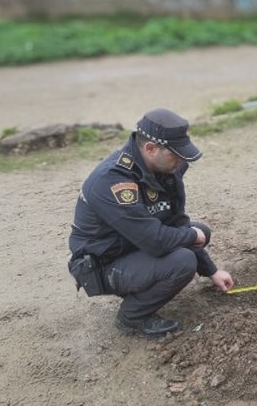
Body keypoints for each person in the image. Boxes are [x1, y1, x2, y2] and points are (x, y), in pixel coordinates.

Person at [68, 108, 234, 338]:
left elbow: (176, 222)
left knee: (198, 232)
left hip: (133, 244)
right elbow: (155, 241)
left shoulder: (164, 169)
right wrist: (192, 237)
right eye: (176, 154)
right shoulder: (112, 180)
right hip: (104, 262)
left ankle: (142, 282)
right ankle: (132, 317)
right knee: (183, 260)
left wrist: (211, 271)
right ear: (150, 148)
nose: (181, 160)